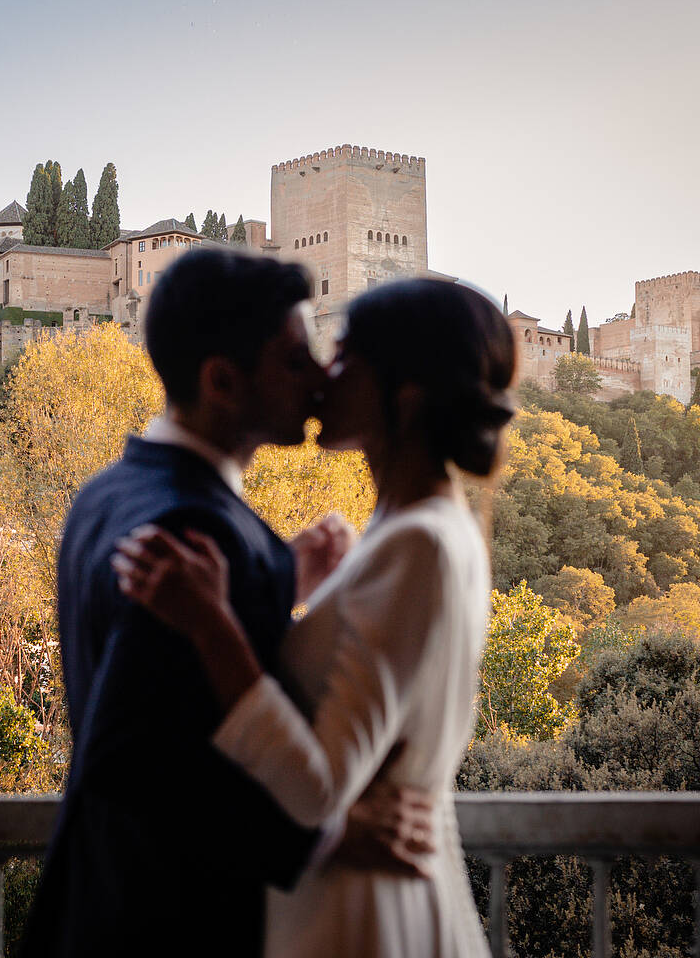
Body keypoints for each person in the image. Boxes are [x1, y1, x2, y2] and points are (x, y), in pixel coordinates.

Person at [21, 249, 439, 958]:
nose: (318, 378)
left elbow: (160, 693)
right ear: (222, 380)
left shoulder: (106, 494)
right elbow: (149, 764)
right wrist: (328, 837)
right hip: (168, 929)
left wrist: (280, 575)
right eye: (293, 360)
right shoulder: (198, 528)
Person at [114, 277, 517, 956]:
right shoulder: (418, 533)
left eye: (347, 357)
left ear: (406, 395)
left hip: (358, 918)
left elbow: (318, 790)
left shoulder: (417, 544)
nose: (325, 372)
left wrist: (213, 624)